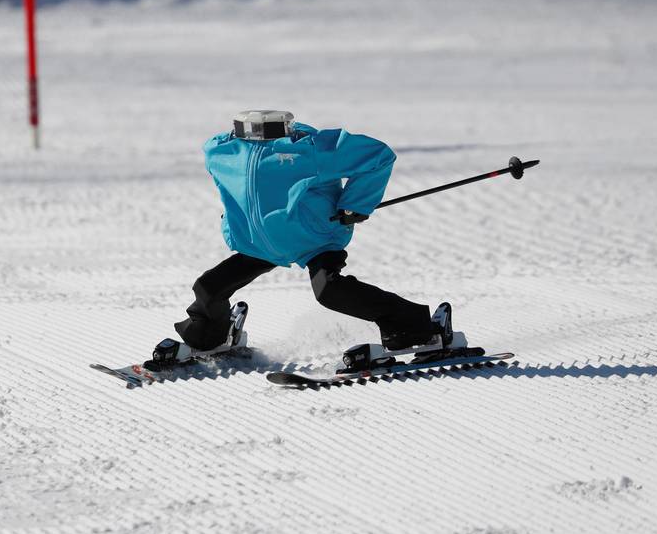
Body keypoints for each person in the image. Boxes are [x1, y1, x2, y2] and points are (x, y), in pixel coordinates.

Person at [145, 110, 463, 372]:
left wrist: (354, 204)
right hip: (259, 243)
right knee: (209, 288)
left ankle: (418, 329)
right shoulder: (222, 151)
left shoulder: (305, 149)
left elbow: (377, 156)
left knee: (330, 291)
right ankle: (209, 337)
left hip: (313, 237)